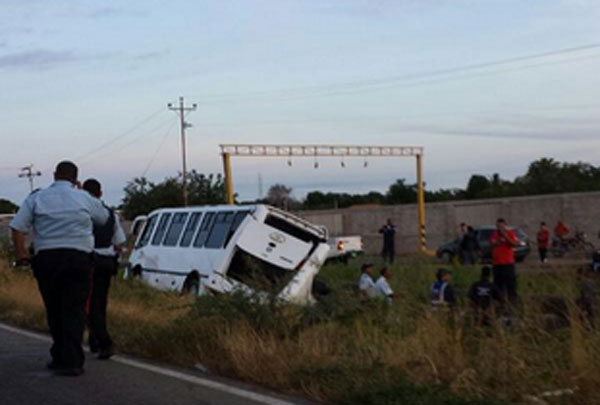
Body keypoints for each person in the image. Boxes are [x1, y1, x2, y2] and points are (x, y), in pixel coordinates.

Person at [10, 161, 108, 376]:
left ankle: (60, 355)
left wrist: (22, 255)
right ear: (75, 178)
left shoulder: (37, 197)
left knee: (54, 308)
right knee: (75, 309)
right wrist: (84, 196)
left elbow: (17, 227)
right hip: (78, 259)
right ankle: (72, 360)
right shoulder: (84, 198)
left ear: (54, 175)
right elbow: (102, 218)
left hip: (47, 259)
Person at [83, 179, 126, 360]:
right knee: (100, 302)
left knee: (87, 304)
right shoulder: (111, 214)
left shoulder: (83, 214)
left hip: (89, 261)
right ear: (101, 193)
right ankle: (95, 340)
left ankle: (104, 341)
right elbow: (119, 242)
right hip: (107, 262)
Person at [490, 218, 520, 308]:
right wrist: (497, 241)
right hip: (497, 264)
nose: (500, 228)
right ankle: (499, 302)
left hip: (507, 263)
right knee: (498, 285)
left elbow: (514, 244)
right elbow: (491, 244)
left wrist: (505, 236)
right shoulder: (494, 235)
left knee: (510, 284)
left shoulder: (510, 233)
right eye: (498, 226)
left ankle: (512, 303)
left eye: (502, 226)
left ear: (505, 226)